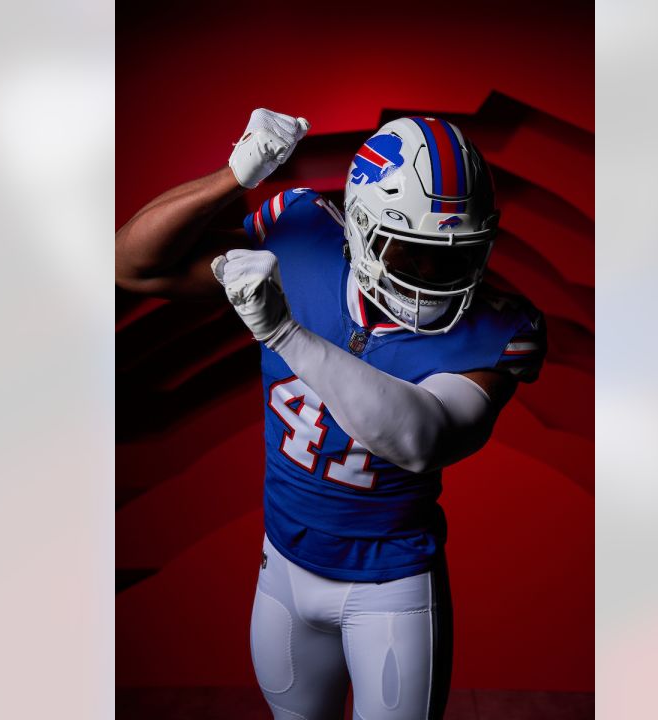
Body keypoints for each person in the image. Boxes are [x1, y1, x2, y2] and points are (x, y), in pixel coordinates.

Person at [116, 108, 546, 720]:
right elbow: (132, 263)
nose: (437, 277)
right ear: (362, 228)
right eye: (415, 253)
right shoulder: (301, 238)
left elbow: (422, 438)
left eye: (457, 255)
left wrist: (286, 334)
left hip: (391, 588)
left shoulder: (504, 329)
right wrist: (232, 179)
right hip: (285, 568)